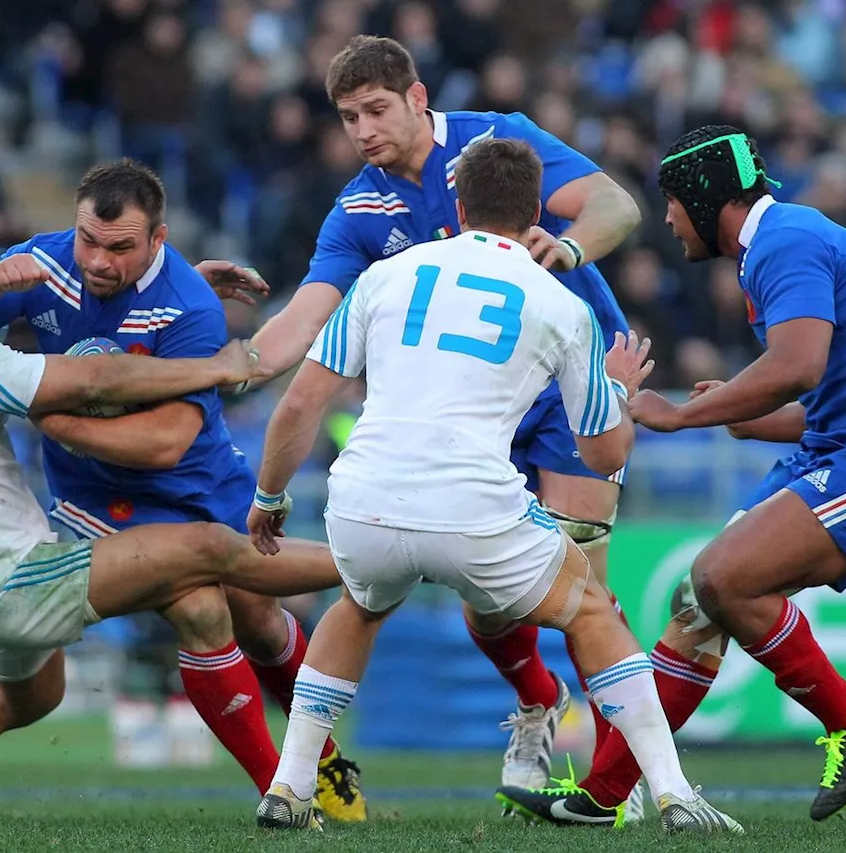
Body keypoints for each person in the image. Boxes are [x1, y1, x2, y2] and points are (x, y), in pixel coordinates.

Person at [0, 193, 342, 820]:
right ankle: (380, 561)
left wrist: (164, 305)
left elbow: (91, 345)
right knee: (209, 559)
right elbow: (96, 380)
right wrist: (213, 365)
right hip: (12, 580)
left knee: (28, 700)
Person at [247, 138, 741, 835]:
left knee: (356, 608)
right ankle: (672, 791)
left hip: (364, 501)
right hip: (475, 509)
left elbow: (300, 403)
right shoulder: (560, 301)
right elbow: (603, 454)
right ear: (538, 210)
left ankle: (288, 787)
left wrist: (269, 497)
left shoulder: (387, 274)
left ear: (457, 206)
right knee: (592, 610)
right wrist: (619, 390)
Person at [497, 126, 846, 826]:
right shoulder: (777, 249)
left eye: (674, 202)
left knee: (722, 576)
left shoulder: (787, 241)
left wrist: (687, 413)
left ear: (709, 199)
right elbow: (834, 392)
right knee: (696, 602)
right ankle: (603, 795)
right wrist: (743, 417)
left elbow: (797, 367)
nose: (669, 219)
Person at [239, 34, 648, 810]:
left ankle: (613, 781)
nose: (362, 128)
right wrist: (230, 359)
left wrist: (560, 248)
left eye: (377, 109)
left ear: (418, 99)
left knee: (583, 586)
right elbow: (301, 323)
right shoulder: (360, 208)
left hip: (565, 381)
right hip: (468, 409)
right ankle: (536, 703)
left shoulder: (496, 145)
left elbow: (615, 205)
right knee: (486, 607)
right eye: (348, 115)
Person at [0, 159, 366, 819]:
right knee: (199, 608)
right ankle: (282, 791)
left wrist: (56, 419)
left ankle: (324, 759)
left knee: (257, 614)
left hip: (198, 479)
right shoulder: (44, 261)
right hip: (103, 500)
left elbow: (165, 442)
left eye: (119, 247)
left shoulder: (190, 303)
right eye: (88, 240)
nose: (98, 260)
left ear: (157, 240)